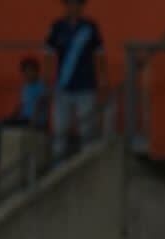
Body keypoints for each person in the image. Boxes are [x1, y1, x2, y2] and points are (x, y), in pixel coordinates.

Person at [44, 0, 105, 159]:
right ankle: (58, 160)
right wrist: (47, 79)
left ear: (82, 6)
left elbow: (100, 54)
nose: (74, 7)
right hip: (62, 86)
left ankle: (87, 159)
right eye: (70, 3)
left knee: (87, 128)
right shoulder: (57, 27)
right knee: (59, 127)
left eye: (77, 4)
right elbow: (48, 54)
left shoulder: (90, 27)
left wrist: (103, 79)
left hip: (86, 86)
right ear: (65, 6)